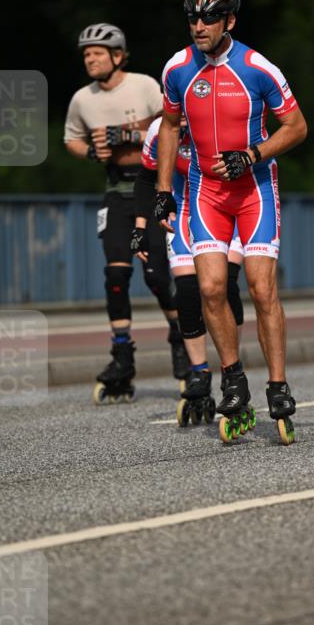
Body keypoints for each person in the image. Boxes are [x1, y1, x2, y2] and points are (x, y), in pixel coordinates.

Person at [154, 0, 307, 443]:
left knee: (262, 289)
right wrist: (163, 189)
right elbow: (169, 125)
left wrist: (254, 154)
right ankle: (234, 379)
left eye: (209, 18)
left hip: (254, 190)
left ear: (230, 21)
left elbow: (297, 127)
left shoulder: (258, 67)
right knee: (211, 288)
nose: (199, 26)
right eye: (193, 18)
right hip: (204, 193)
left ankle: (277, 387)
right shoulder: (177, 69)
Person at [64, 22, 188, 402]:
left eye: (97, 53)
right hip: (116, 193)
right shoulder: (82, 99)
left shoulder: (145, 85)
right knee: (115, 275)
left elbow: (175, 124)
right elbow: (71, 137)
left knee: (155, 275)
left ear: (118, 56)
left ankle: (180, 340)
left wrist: (128, 134)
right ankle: (122, 357)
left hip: (150, 188)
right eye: (86, 54)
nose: (90, 59)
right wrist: (90, 152)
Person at [131, 114, 244, 424]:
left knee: (225, 289)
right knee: (187, 293)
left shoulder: (220, 116)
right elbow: (145, 178)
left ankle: (232, 373)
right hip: (185, 212)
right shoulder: (160, 129)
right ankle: (199, 374)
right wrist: (140, 228)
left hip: (229, 209)